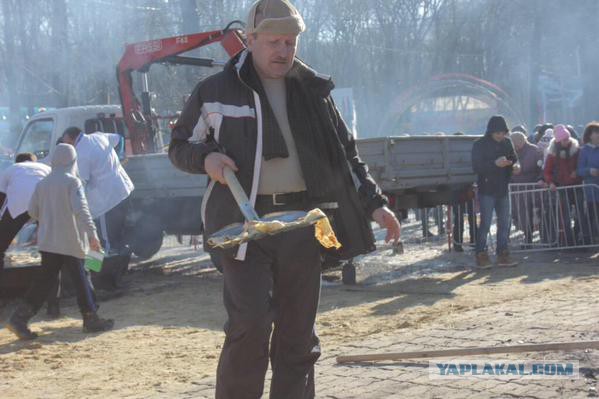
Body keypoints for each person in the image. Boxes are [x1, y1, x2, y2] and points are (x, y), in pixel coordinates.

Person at [168, 1, 401, 397]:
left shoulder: (312, 91)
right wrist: (206, 158)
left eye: (290, 42)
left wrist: (375, 205)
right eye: (274, 41)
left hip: (302, 224)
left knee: (297, 332)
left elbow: (345, 153)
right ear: (250, 39)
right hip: (240, 226)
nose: (283, 51)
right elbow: (178, 146)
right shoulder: (215, 91)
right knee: (251, 323)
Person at [6, 144, 114, 340]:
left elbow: (32, 212)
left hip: (48, 242)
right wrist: (93, 234)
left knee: (43, 282)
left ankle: (19, 320)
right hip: (71, 241)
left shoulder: (43, 184)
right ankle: (90, 318)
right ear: (72, 161)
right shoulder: (73, 182)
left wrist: (49, 218)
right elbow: (82, 210)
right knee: (82, 278)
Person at [61, 127, 133, 256]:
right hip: (124, 189)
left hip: (107, 201)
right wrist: (120, 154)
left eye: (67, 142)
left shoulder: (81, 154)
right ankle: (119, 268)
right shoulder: (98, 136)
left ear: (73, 139)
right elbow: (119, 138)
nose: (67, 146)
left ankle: (96, 271)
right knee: (118, 236)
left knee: (104, 241)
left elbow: (81, 184)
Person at [471, 115, 519, 268]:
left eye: (503, 132)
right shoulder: (479, 144)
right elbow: (477, 167)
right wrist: (495, 164)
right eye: (497, 132)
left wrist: (515, 166)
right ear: (490, 131)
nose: (500, 135)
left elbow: (514, 158)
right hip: (487, 189)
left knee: (505, 223)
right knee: (485, 223)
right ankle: (481, 254)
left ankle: (503, 253)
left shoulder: (507, 142)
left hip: (503, 188)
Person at [543, 124, 585, 246]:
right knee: (564, 215)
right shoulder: (552, 154)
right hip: (561, 187)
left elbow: (581, 165)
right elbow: (547, 171)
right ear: (558, 141)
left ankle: (579, 235)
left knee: (580, 213)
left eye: (567, 139)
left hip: (577, 185)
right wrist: (550, 182)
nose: (566, 141)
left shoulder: (577, 150)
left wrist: (577, 172)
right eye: (563, 140)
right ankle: (566, 239)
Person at [510, 132, 543, 246]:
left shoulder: (534, 150)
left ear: (521, 141)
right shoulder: (512, 152)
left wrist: (540, 179)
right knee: (523, 215)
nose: (515, 145)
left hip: (533, 188)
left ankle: (543, 238)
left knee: (538, 213)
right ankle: (528, 238)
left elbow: (538, 167)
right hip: (518, 189)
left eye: (515, 143)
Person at [577, 122, 599, 243]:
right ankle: (588, 239)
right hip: (591, 192)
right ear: (590, 135)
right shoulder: (584, 150)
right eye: (596, 132)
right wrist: (590, 170)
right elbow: (579, 170)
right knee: (591, 216)